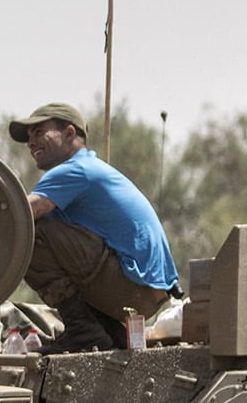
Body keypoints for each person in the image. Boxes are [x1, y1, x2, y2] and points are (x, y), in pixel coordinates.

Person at [11, 102, 178, 351]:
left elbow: (19, 215)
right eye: (28, 138)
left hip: (132, 283)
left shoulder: (75, 169)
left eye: (39, 132)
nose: (31, 143)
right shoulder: (88, 168)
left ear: (69, 133)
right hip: (147, 291)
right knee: (49, 233)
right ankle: (106, 332)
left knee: (29, 234)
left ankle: (83, 331)